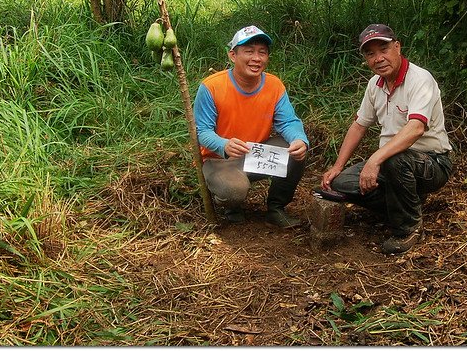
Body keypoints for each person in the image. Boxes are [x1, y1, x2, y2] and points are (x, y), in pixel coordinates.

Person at [321, 24, 453, 254]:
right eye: (370, 54)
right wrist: (337, 167)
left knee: (394, 160)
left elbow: (416, 128)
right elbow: (359, 125)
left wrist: (374, 161)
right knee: (342, 183)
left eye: (384, 49)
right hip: (391, 162)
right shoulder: (375, 85)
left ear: (397, 47)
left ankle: (408, 228)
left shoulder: (420, 79)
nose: (378, 58)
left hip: (432, 162)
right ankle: (403, 203)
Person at [194, 25, 309, 228]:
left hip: (254, 154)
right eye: (249, 51)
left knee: (295, 151)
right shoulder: (211, 86)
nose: (256, 58)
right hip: (219, 159)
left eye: (262, 52)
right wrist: (223, 144)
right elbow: (202, 131)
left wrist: (299, 139)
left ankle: (276, 209)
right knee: (234, 191)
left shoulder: (274, 86)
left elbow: (289, 121)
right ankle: (231, 204)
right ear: (233, 55)